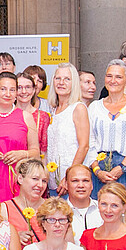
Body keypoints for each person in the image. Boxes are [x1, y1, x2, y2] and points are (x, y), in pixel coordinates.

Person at [86, 60, 126, 206]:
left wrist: (122, 167)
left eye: (118, 77)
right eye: (109, 76)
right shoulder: (94, 107)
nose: (113, 81)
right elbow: (89, 142)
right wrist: (97, 170)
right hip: (100, 172)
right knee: (101, 216)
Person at [0, 72, 40, 202]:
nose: (7, 94)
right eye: (3, 89)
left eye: (12, 90)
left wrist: (22, 154)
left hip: (18, 178)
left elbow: (36, 152)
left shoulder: (26, 117)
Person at [46, 63, 91, 196]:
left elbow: (84, 146)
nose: (61, 83)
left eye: (67, 79)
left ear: (74, 83)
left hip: (72, 181)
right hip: (54, 180)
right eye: (57, 78)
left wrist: (69, 177)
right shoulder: (53, 109)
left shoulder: (78, 108)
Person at [1, 159, 50, 247]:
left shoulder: (52, 207)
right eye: (35, 179)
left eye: (44, 181)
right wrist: (14, 238)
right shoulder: (4, 209)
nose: (40, 185)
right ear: (20, 179)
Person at [15, 72, 51, 155]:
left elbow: (44, 151)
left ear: (34, 90)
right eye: (19, 87)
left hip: (34, 165)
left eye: (28, 87)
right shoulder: (7, 115)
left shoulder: (42, 117)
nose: (24, 91)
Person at [62, 165, 102, 235]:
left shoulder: (103, 210)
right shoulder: (58, 213)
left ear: (92, 185)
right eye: (75, 181)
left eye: (85, 181)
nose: (81, 185)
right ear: (66, 184)